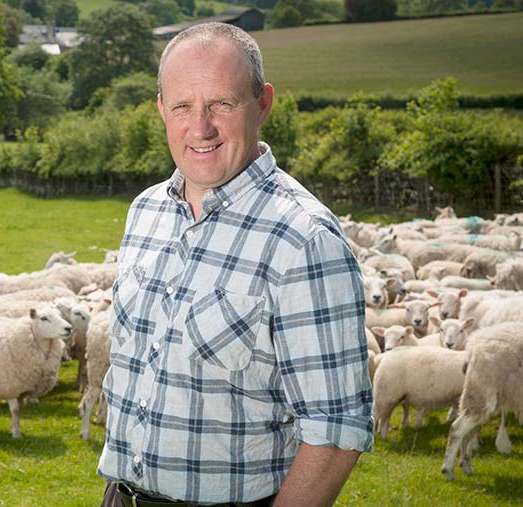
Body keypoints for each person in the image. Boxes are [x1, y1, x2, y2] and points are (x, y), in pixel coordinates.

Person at [97, 22, 373, 507]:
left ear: (262, 103)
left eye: (220, 105)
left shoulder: (302, 238)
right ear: (161, 108)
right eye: (182, 106)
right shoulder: (147, 211)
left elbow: (336, 430)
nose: (200, 128)